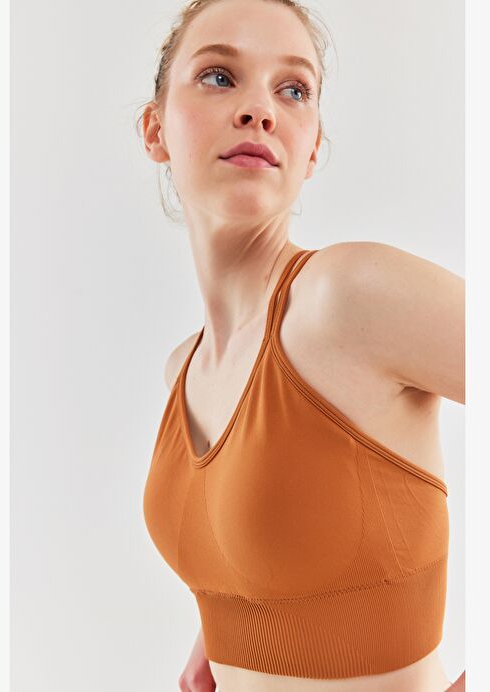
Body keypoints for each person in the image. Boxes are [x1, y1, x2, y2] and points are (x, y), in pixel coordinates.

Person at [139, 1, 465, 690]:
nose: (260, 110)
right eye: (219, 76)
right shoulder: (183, 370)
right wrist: (225, 631)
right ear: (155, 128)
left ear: (311, 147)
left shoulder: (347, 297)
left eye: (292, 89)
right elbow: (286, 547)